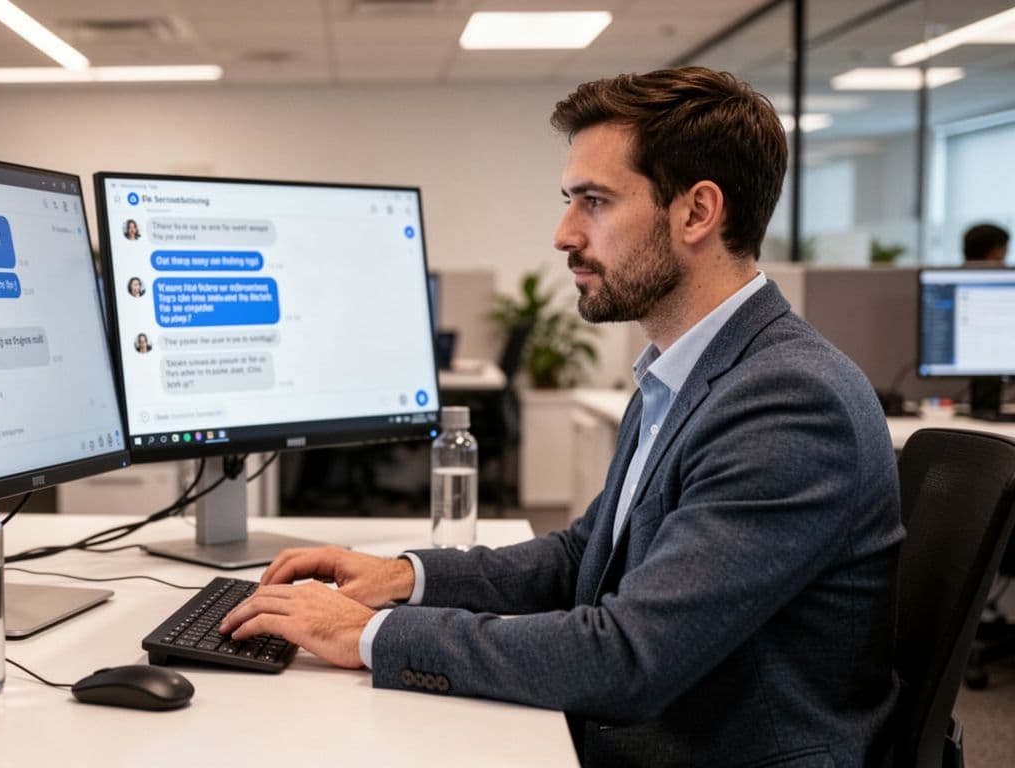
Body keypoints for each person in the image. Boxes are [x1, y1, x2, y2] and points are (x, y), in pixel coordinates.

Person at [220, 67, 903, 767]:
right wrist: (405, 577)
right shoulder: (689, 369)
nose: (563, 234)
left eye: (595, 202)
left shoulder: (788, 403)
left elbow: (627, 658)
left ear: (697, 213)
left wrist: (370, 635)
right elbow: (587, 555)